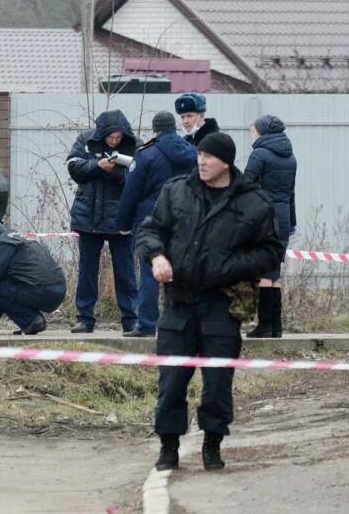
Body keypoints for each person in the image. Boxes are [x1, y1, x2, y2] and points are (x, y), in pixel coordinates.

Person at [137, 132, 283, 472]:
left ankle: (212, 444)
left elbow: (272, 251)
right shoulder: (177, 191)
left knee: (217, 383)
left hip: (221, 304)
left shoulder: (254, 202)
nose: (202, 161)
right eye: (200, 154)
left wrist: (229, 268)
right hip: (179, 303)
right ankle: (168, 446)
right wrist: (157, 256)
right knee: (172, 380)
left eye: (210, 156)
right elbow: (151, 230)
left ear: (226, 162)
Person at [116, 111, 196, 337]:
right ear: (174, 127)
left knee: (150, 271)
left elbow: (131, 192)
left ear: (155, 130)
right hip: (183, 219)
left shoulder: (146, 154)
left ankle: (147, 324)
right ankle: (181, 323)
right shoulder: (191, 153)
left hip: (151, 221)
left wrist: (123, 222)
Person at [66, 109, 139, 334]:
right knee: (87, 271)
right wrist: (96, 166)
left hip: (121, 219)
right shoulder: (85, 140)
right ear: (101, 134)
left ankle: (131, 318)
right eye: (110, 137)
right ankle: (85, 318)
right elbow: (73, 167)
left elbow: (140, 176)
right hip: (88, 218)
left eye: (118, 137)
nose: (114, 141)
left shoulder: (137, 146)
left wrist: (115, 172)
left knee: (125, 272)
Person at [244, 115, 297, 339]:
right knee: (274, 273)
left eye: (253, 130)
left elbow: (246, 185)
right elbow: (291, 192)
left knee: (263, 271)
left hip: (263, 216)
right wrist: (292, 222)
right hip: (283, 216)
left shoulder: (259, 154)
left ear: (262, 132)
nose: (251, 133)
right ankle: (276, 326)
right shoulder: (291, 157)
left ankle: (264, 325)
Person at [0, 219, 67, 335]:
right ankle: (31, 322)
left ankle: (32, 320)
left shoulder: (1, 245)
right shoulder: (16, 238)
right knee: (6, 287)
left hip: (42, 290)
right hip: (57, 290)